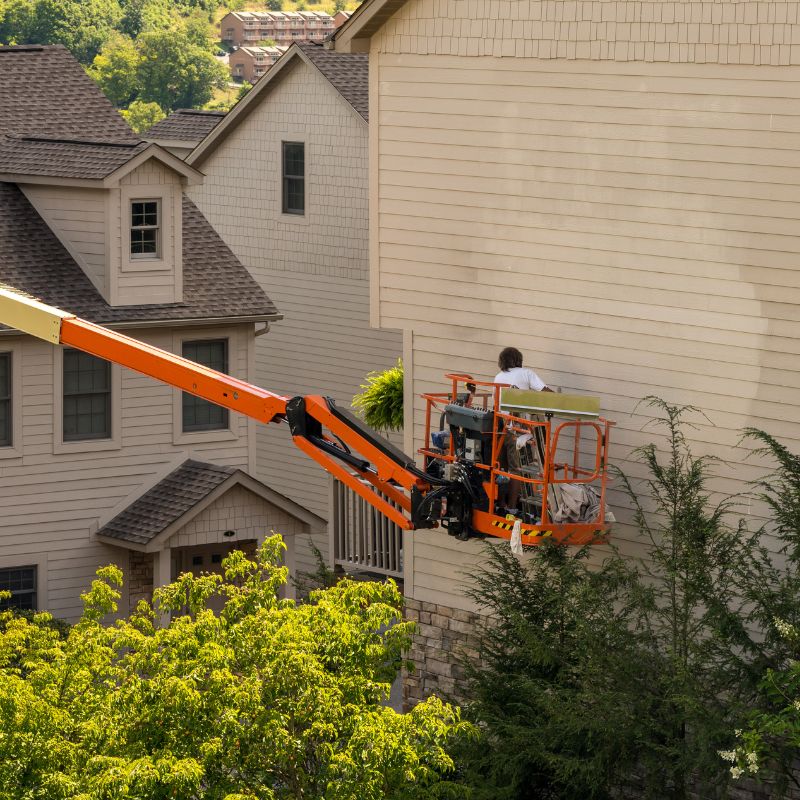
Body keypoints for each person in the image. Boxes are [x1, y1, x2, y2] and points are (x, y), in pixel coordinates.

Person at [493, 347, 552, 516]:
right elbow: (545, 391)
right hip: (517, 428)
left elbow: (495, 402)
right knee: (517, 470)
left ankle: (501, 504)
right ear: (519, 359)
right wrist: (560, 402)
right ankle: (512, 508)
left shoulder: (499, 376)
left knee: (501, 468)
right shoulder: (527, 373)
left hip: (501, 426)